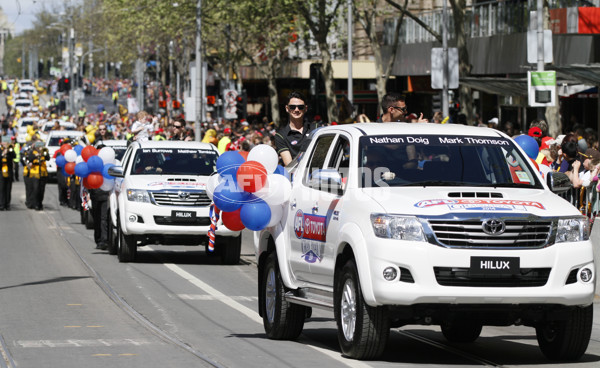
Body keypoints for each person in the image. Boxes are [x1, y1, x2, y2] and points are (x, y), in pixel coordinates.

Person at [275, 91, 316, 166]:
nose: (296, 110)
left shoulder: (316, 129)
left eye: (300, 107)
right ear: (287, 108)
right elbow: (290, 166)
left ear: (305, 109)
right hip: (298, 175)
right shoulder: (280, 136)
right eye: (292, 107)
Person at [26, 141, 50, 211]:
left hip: (43, 173)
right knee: (36, 189)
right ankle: (35, 204)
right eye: (38, 145)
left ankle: (40, 203)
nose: (39, 147)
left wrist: (43, 152)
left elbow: (48, 158)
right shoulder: (32, 152)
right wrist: (36, 155)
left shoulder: (44, 151)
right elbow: (30, 159)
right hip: (35, 173)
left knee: (42, 190)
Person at [0, 142, 16, 210]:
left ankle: (7, 204)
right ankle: (2, 204)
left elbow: (14, 156)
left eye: (6, 142)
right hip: (1, 171)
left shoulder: (10, 149)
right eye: (4, 142)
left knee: (8, 188)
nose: (5, 144)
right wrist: (3, 154)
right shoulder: (0, 150)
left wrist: (9, 150)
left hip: (9, 171)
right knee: (1, 188)